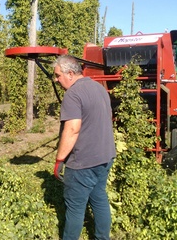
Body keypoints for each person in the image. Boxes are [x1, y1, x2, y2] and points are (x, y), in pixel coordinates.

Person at [52, 55, 116, 240]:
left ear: (70, 73)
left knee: (75, 208)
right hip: (105, 157)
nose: (56, 80)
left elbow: (72, 130)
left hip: (83, 162)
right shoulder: (99, 88)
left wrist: (59, 160)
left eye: (58, 75)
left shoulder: (73, 94)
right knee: (99, 199)